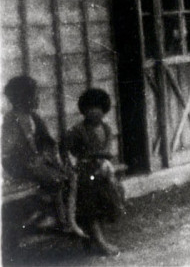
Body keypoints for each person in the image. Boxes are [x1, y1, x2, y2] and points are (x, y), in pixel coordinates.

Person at [1, 75, 83, 238]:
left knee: (71, 176)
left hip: (40, 162)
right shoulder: (11, 120)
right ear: (22, 98)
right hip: (21, 166)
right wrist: (31, 160)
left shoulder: (35, 118)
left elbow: (48, 142)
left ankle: (70, 219)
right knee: (56, 180)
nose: (38, 99)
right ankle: (63, 221)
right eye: (34, 95)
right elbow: (7, 148)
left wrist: (48, 156)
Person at [64, 88, 125, 256]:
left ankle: (94, 238)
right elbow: (66, 150)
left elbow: (108, 152)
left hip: (102, 169)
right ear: (83, 110)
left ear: (104, 109)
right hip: (84, 171)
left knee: (108, 198)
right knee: (90, 200)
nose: (94, 112)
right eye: (90, 108)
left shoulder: (106, 129)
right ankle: (99, 241)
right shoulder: (77, 130)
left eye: (98, 107)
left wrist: (102, 157)